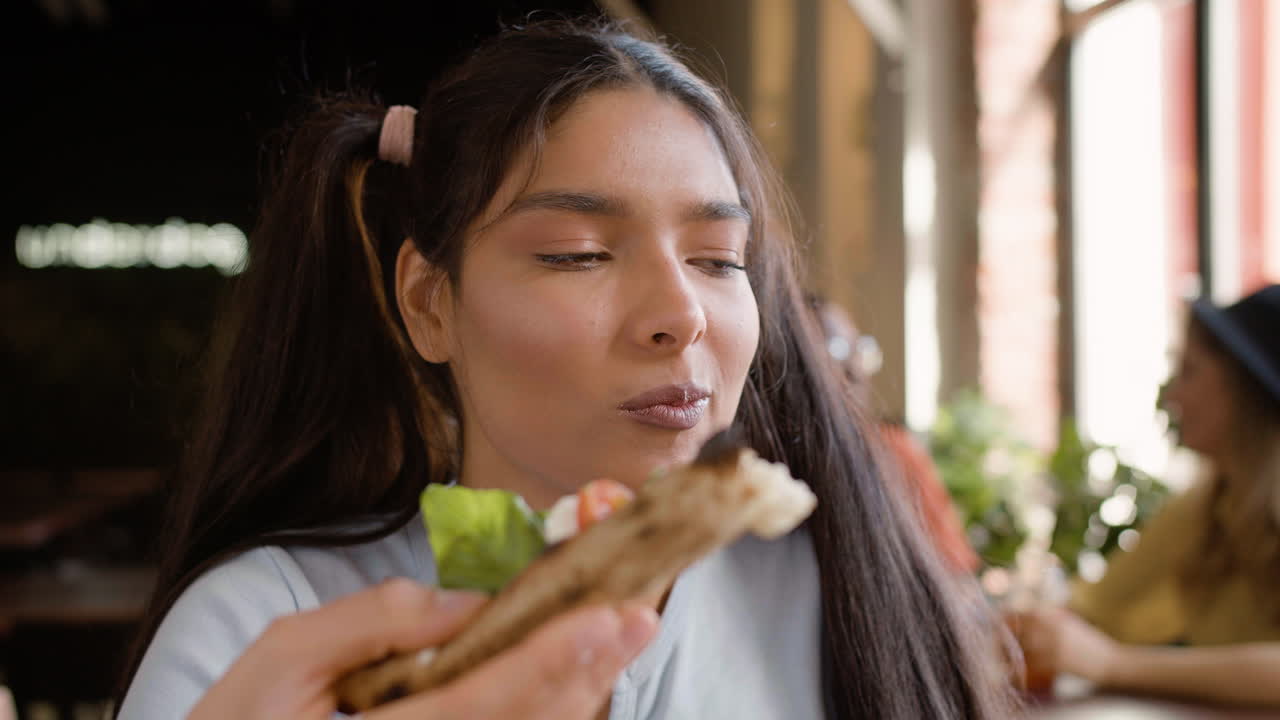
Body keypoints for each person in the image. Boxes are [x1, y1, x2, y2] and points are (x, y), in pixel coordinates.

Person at [117, 18, 1016, 720]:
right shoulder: (266, 632)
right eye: (580, 253)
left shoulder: (839, 589)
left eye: (718, 258)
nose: (680, 315)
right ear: (431, 303)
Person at [1007, 283, 1280, 706]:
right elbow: (1092, 608)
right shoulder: (1209, 506)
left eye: (1189, 371)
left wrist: (1114, 664)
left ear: (1248, 393)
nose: (1173, 396)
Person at [807, 294, 980, 576]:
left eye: (859, 349)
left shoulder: (896, 452)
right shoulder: (763, 471)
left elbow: (957, 571)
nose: (855, 369)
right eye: (835, 350)